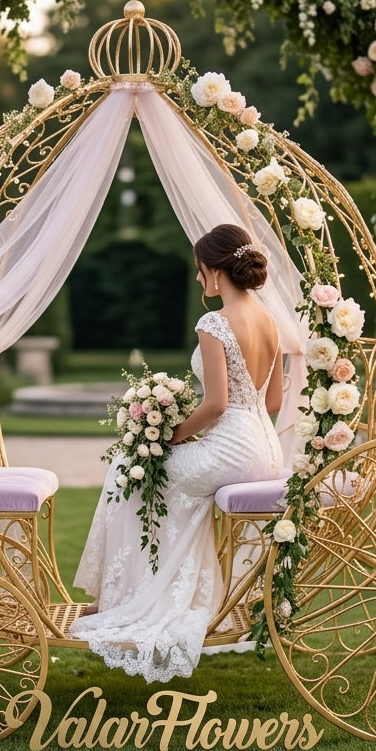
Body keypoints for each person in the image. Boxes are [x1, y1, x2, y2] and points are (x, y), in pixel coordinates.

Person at [69, 224, 286, 682]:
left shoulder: (214, 323)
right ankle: (147, 592)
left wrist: (169, 437)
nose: (197, 279)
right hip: (265, 447)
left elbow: (216, 405)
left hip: (230, 447)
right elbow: (273, 403)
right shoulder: (270, 320)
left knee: (131, 467)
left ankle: (128, 600)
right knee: (156, 478)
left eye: (199, 270)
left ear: (215, 270)